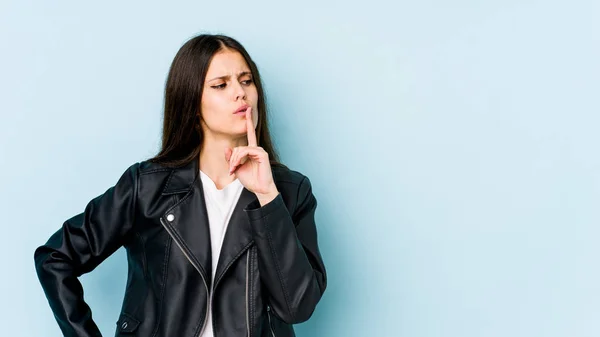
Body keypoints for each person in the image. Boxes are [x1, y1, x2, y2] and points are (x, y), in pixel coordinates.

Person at [33, 34, 327, 337]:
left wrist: (268, 197)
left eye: (246, 81)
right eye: (221, 85)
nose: (240, 93)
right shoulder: (146, 188)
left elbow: (297, 308)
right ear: (191, 101)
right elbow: (55, 257)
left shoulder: (290, 192)